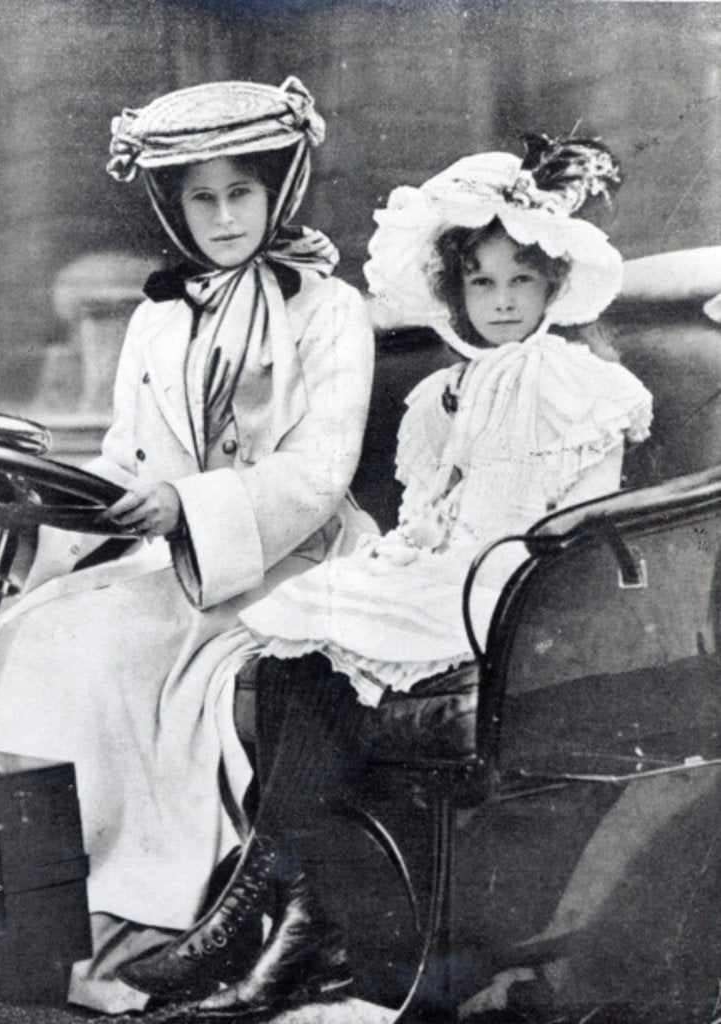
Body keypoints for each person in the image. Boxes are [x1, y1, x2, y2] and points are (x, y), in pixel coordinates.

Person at [127, 135, 653, 1019]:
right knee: (297, 637)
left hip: (528, 587)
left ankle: (255, 919)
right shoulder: (450, 390)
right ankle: (290, 913)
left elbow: (571, 518)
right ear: (456, 291)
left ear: (552, 286)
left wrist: (471, 558)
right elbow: (434, 511)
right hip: (453, 566)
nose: (500, 302)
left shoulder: (573, 380)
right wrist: (410, 549)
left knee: (333, 634)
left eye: (520, 282)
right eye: (481, 284)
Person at [0, 76, 375, 1014]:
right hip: (174, 558)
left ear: (277, 192)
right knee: (33, 635)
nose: (224, 217)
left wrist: (188, 507)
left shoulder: (329, 310)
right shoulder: (156, 317)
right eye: (201, 198)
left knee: (100, 657)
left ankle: (154, 926)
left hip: (291, 559)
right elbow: (123, 459)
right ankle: (63, 928)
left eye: (241, 193)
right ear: (173, 207)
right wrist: (39, 510)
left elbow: (317, 472)